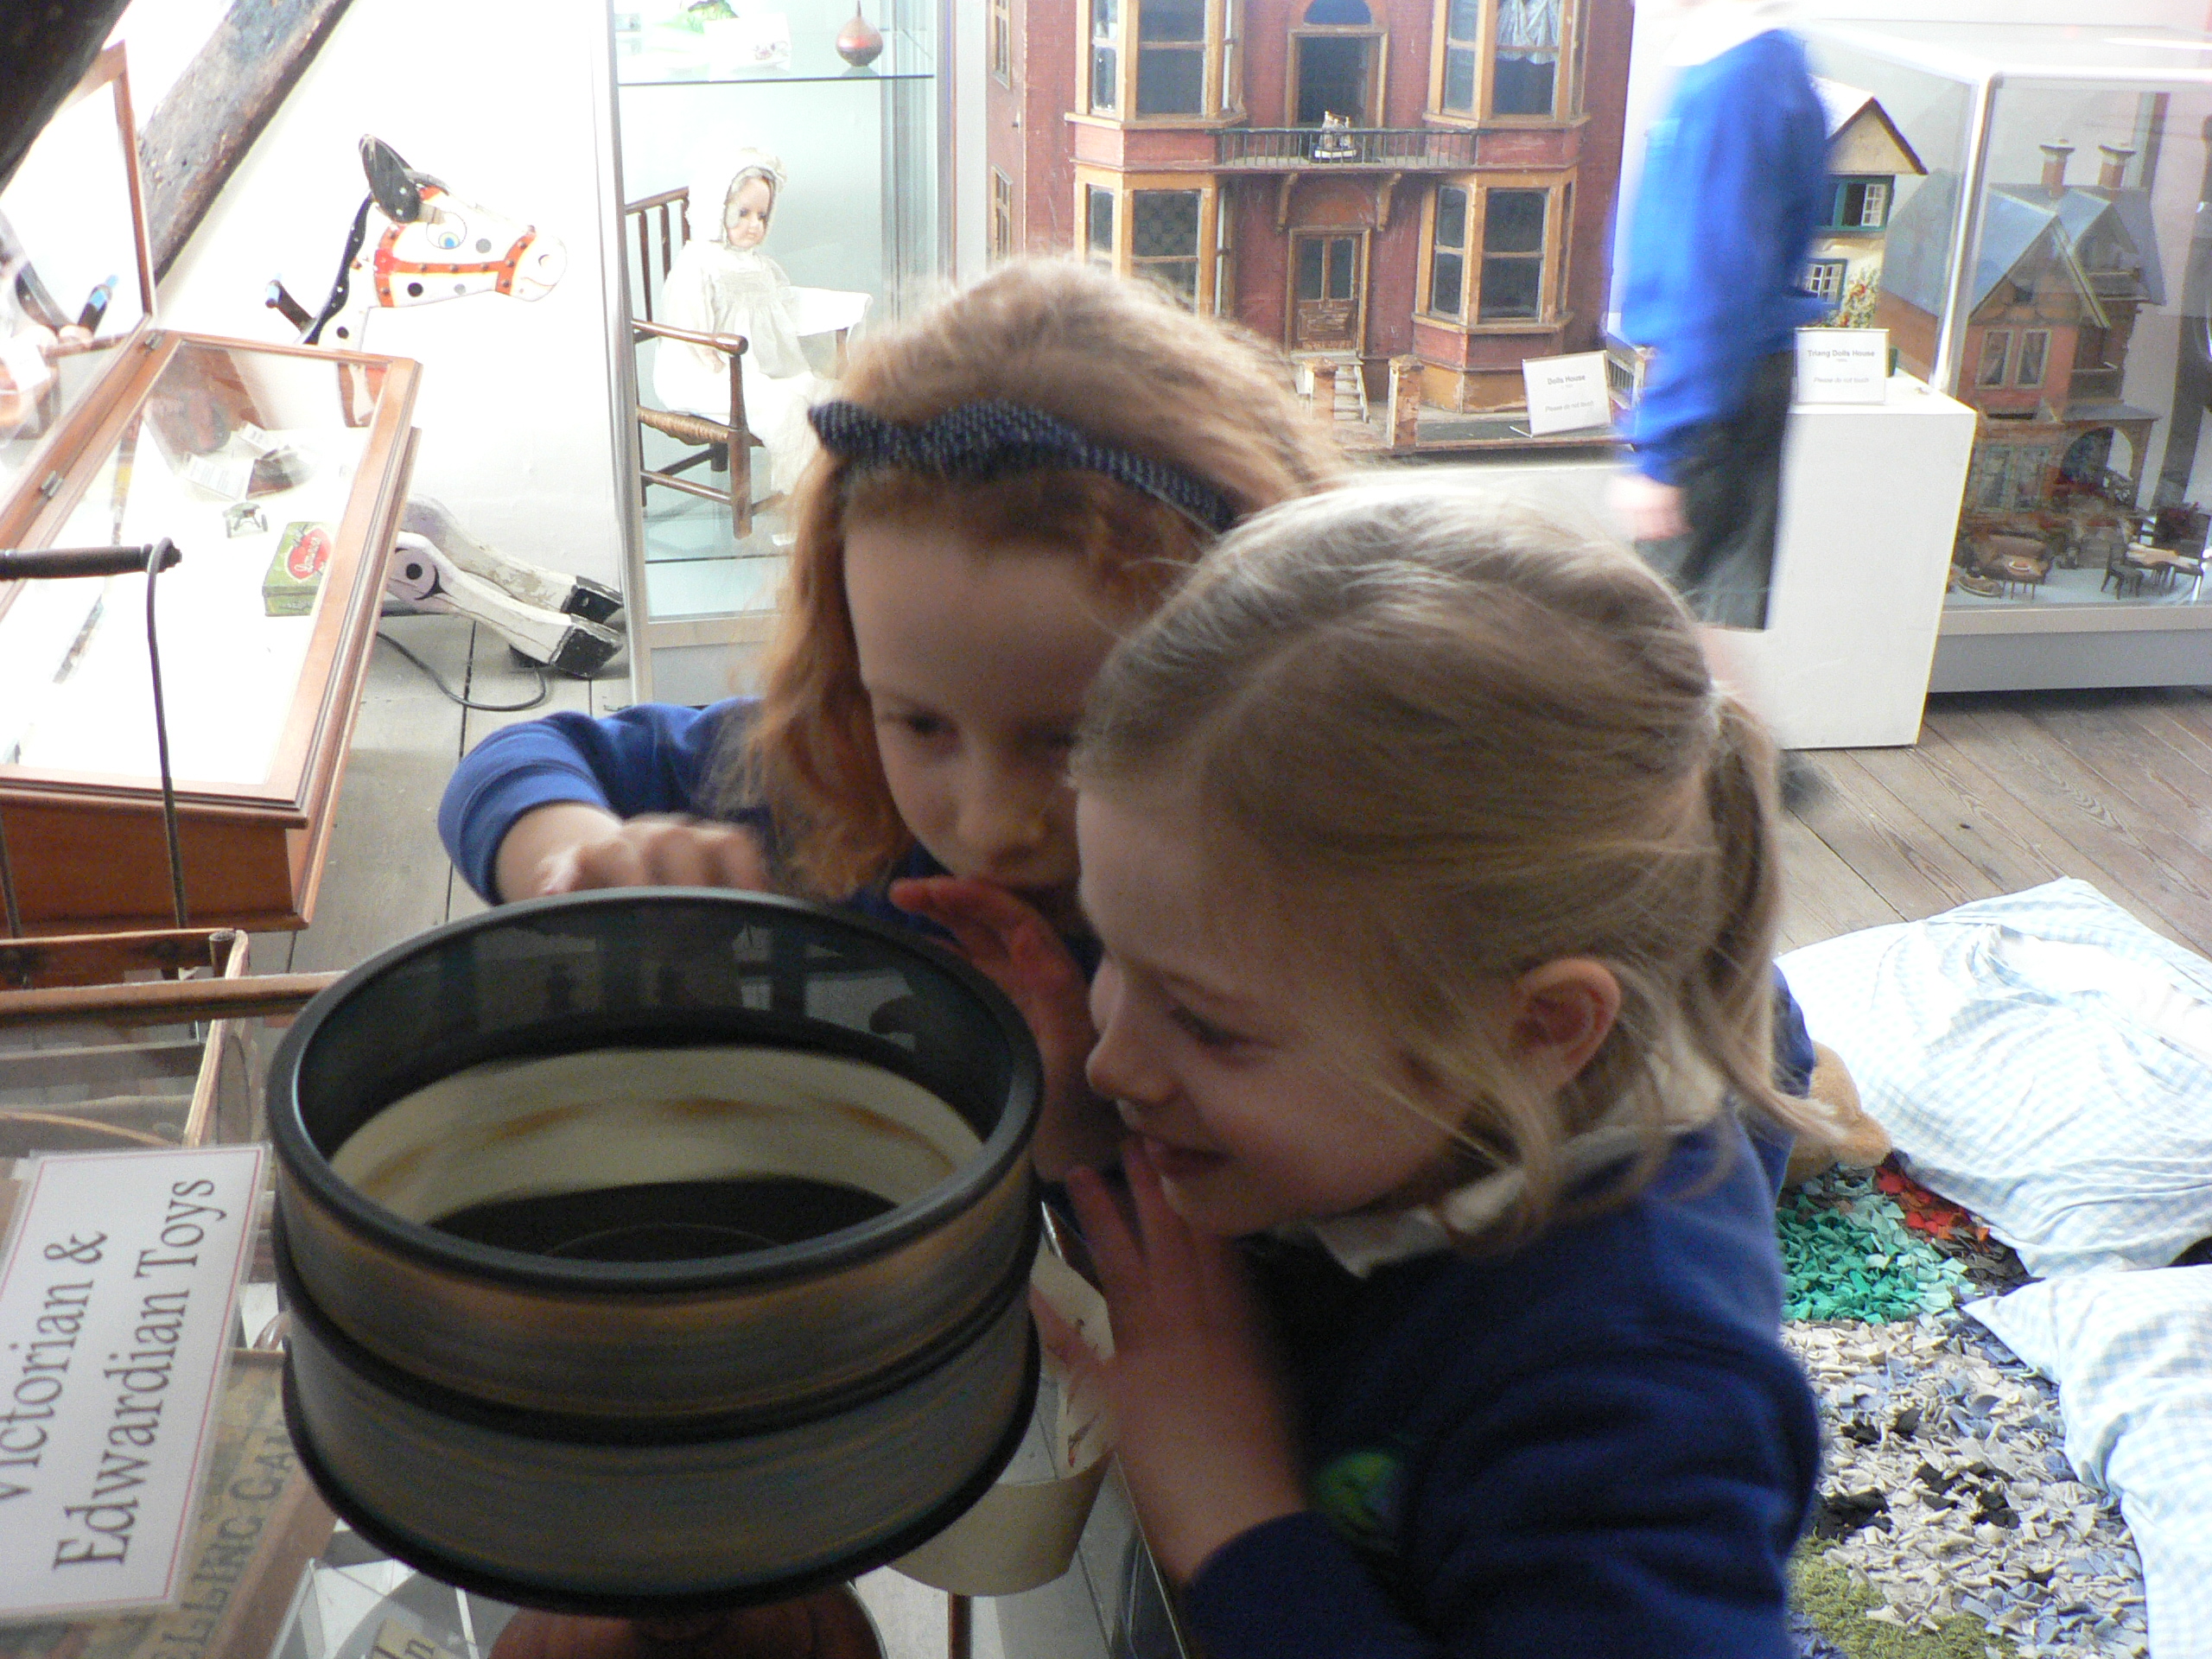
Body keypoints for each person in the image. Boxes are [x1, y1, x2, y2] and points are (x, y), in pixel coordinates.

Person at [1044, 480, 1826, 1656]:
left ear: (1538, 1030)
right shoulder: (1385, 1092)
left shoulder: (1639, 1404)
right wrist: (1075, 1141)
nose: (1115, 1058)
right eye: (1111, 951)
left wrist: (1239, 1526)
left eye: (1206, 1023)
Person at [438, 257, 1346, 1173]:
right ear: (849, 670)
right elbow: (517, 759)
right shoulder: (838, 774)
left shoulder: (1303, 933)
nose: (989, 825)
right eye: (919, 724)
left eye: (1074, 741)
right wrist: (584, 856)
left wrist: (1077, 1131)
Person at [1610, 0, 1828, 630]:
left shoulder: (1734, 83)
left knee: (1655, 630)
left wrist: (1662, 452)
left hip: (1714, 391)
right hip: (1728, 377)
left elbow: (1716, 275)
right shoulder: (1762, 64)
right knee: (1689, 625)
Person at [652, 149, 829, 499]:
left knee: (822, 393)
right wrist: (711, 355)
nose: (755, 225)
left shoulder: (757, 264)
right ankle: (802, 497)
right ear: (716, 211)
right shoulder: (697, 264)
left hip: (754, 366)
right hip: (703, 372)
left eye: (762, 215)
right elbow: (686, 320)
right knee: (786, 406)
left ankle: (838, 487)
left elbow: (781, 307)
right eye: (743, 213)